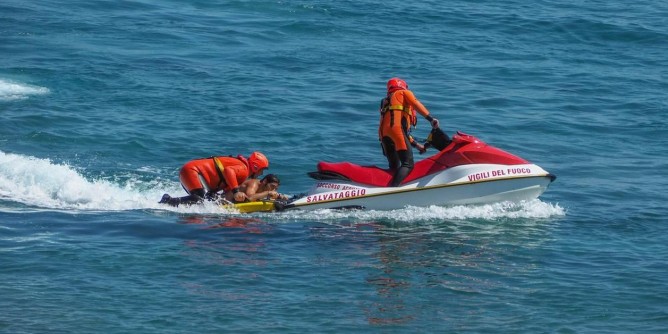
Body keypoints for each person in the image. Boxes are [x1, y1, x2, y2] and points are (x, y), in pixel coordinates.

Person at [378, 77, 440, 187]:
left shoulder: (386, 102)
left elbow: (397, 131)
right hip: (396, 132)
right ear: (403, 86)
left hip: (384, 137)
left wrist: (417, 146)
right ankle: (392, 190)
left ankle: (387, 187)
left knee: (394, 166)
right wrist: (431, 119)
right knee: (408, 164)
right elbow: (416, 104)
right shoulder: (404, 93)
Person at [159, 151, 269, 207]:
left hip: (193, 172)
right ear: (255, 166)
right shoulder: (244, 168)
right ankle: (168, 201)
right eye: (261, 170)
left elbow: (226, 188)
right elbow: (228, 171)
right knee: (199, 199)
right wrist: (236, 192)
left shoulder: (242, 171)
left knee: (208, 200)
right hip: (193, 171)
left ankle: (172, 202)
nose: (261, 173)